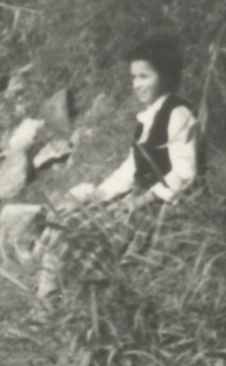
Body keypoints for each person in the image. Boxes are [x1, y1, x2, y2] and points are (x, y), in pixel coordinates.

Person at [35, 34, 199, 298]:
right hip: (139, 198)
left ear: (166, 76)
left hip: (160, 207)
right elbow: (131, 167)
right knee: (68, 220)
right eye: (134, 77)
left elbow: (184, 172)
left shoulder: (178, 114)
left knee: (79, 233)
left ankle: (59, 300)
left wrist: (142, 199)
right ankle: (53, 297)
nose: (136, 85)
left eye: (144, 77)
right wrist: (99, 193)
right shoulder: (150, 116)